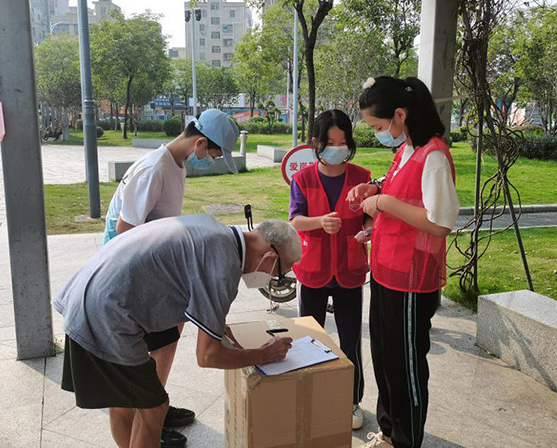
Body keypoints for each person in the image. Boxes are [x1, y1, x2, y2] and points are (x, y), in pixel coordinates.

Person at [53, 215, 301, 448]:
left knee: (126, 399)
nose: (273, 279)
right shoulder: (224, 264)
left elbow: (184, 277)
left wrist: (215, 324)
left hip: (90, 295)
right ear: (269, 258)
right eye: (280, 272)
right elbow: (208, 357)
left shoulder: (217, 232)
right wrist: (264, 355)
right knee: (155, 407)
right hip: (105, 315)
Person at [101, 109, 239, 447]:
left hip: (152, 272)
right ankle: (149, 420)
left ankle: (155, 407)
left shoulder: (174, 166)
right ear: (201, 142)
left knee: (168, 342)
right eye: (214, 154)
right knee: (154, 350)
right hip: (129, 276)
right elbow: (125, 233)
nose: (212, 160)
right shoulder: (153, 169)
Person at [348, 77, 460, 448]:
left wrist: (382, 204)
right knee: (384, 358)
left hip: (411, 280)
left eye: (379, 127)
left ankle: (406, 440)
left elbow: (439, 222)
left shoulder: (434, 156)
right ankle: (389, 432)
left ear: (400, 114)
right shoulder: (408, 149)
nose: (379, 134)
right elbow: (403, 193)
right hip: (385, 271)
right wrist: (375, 190)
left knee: (407, 368)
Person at [289, 110, 371, 430]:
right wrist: (320, 222)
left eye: (343, 142)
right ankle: (307, 394)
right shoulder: (303, 178)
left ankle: (351, 401)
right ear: (316, 143)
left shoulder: (362, 177)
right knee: (309, 338)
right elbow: (295, 220)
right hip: (313, 270)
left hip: (349, 270)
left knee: (350, 339)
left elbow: (367, 214)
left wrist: (369, 225)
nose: (337, 148)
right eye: (330, 142)